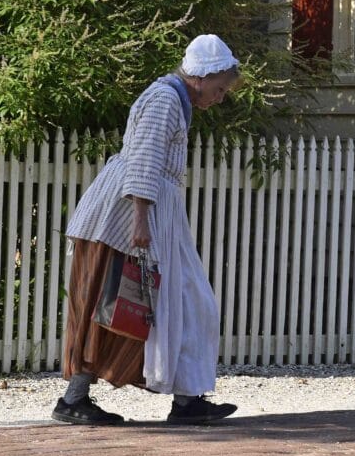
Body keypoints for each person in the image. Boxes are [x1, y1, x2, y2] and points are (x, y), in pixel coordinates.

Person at [52, 34, 241, 425]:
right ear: (200, 77)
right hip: (121, 219)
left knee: (187, 301)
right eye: (220, 88)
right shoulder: (165, 99)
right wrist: (140, 220)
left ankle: (188, 401)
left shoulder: (176, 100)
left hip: (154, 214)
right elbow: (143, 157)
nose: (220, 97)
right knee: (106, 305)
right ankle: (73, 400)